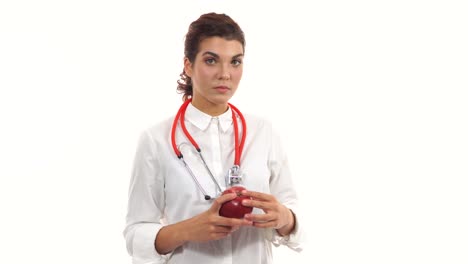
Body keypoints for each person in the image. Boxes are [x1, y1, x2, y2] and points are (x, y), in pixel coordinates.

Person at [123, 12, 304, 264]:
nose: (225, 74)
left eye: (235, 62)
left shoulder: (263, 132)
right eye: (211, 61)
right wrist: (187, 230)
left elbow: (293, 211)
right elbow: (135, 233)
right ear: (188, 65)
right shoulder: (156, 140)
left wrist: (286, 218)